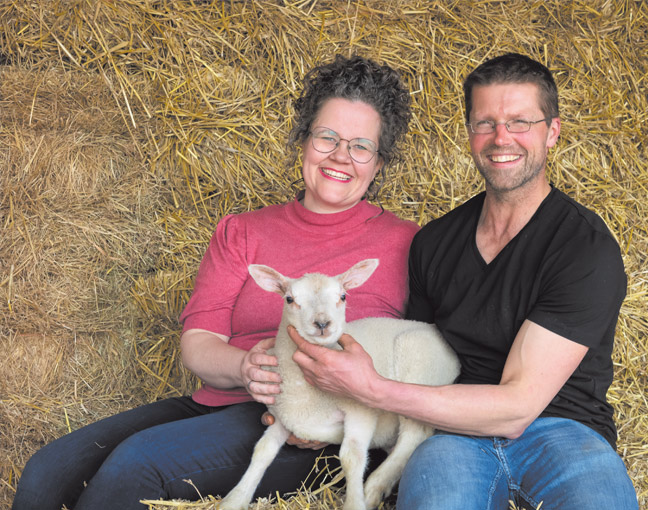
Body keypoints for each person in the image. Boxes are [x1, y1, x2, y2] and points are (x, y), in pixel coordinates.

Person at [11, 55, 418, 510]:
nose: (341, 155)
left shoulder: (407, 244)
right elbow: (199, 342)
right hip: (219, 401)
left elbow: (418, 355)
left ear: (379, 162)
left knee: (134, 469)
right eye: (327, 137)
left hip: (315, 431)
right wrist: (246, 367)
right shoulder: (242, 231)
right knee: (47, 469)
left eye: (361, 146)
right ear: (304, 140)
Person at [288, 53, 640, 509]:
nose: (501, 138)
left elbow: (517, 408)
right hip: (451, 436)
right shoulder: (434, 243)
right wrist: (326, 414)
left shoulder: (584, 248)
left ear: (552, 132)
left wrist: (369, 388)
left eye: (519, 122)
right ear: (470, 133)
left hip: (563, 429)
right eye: (485, 122)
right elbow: (415, 356)